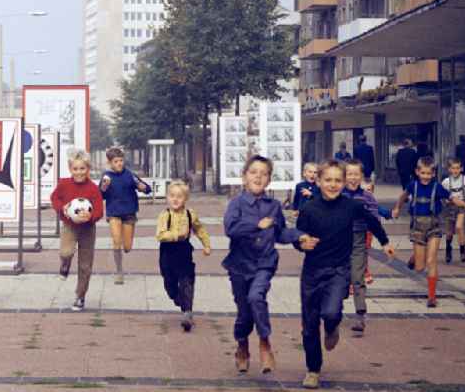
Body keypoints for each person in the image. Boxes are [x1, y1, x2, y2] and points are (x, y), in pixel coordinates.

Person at [295, 159, 394, 389]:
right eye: (328, 180)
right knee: (309, 325)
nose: (333, 184)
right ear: (318, 181)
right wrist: (302, 243)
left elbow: (371, 220)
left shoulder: (351, 206)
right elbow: (299, 236)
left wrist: (385, 241)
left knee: (330, 312)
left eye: (337, 180)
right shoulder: (309, 208)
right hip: (312, 273)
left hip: (339, 270)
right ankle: (313, 369)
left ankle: (332, 327)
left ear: (343, 182)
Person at [223, 155, 318, 374]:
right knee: (244, 314)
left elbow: (280, 232)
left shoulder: (274, 206)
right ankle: (242, 345)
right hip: (239, 265)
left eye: (263, 173)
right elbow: (231, 229)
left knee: (257, 297)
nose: (258, 176)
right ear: (244, 177)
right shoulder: (236, 204)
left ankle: (265, 343)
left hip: (264, 263)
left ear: (269, 180)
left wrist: (299, 236)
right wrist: (256, 225)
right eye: (253, 172)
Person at [392, 156, 465, 308]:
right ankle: (415, 257)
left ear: (434, 174)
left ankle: (432, 296)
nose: (426, 176)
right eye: (423, 173)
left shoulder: (438, 187)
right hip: (417, 227)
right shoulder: (412, 185)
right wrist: (396, 208)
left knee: (431, 261)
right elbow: (402, 197)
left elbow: (453, 198)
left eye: (429, 173)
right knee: (420, 267)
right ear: (417, 172)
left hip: (434, 226)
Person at [50, 147, 104, 311]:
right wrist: (63, 208)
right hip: (69, 226)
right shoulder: (64, 184)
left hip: (88, 229)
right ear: (70, 169)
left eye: (82, 168)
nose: (79, 172)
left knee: (85, 265)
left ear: (88, 169)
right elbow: (54, 198)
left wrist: (91, 216)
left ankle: (80, 296)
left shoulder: (93, 188)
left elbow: (99, 210)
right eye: (75, 169)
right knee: (66, 252)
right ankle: (64, 265)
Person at [156, 180, 211, 330]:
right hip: (167, 253)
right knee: (170, 284)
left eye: (179, 196)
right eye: (172, 196)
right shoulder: (164, 215)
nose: (175, 199)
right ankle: (177, 298)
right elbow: (160, 235)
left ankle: (187, 312)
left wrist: (206, 245)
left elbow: (200, 229)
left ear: (185, 199)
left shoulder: (190, 214)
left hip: (184, 251)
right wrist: (176, 235)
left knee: (187, 279)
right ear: (167, 197)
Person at [99, 146, 151, 284]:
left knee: (127, 247)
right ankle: (119, 271)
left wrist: (143, 187)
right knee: (116, 241)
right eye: (116, 161)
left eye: (121, 160)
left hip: (129, 213)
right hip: (113, 212)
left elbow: (147, 188)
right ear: (110, 163)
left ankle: (125, 249)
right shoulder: (106, 176)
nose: (119, 164)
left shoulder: (130, 175)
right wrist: (104, 187)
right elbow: (100, 195)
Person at [342, 159, 383, 335]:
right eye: (349, 174)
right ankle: (336, 307)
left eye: (356, 174)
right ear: (344, 176)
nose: (352, 177)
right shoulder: (337, 195)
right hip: (339, 241)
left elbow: (375, 218)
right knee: (340, 277)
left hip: (358, 239)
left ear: (361, 176)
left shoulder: (367, 196)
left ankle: (360, 314)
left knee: (357, 277)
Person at [441, 157, 465, 264]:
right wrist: (445, 201)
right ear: (449, 169)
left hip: (462, 207)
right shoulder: (446, 182)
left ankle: (462, 251)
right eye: (453, 168)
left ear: (461, 169)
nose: (455, 171)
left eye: (457, 168)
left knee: (459, 227)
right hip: (450, 208)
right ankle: (448, 249)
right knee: (449, 233)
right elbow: (442, 195)